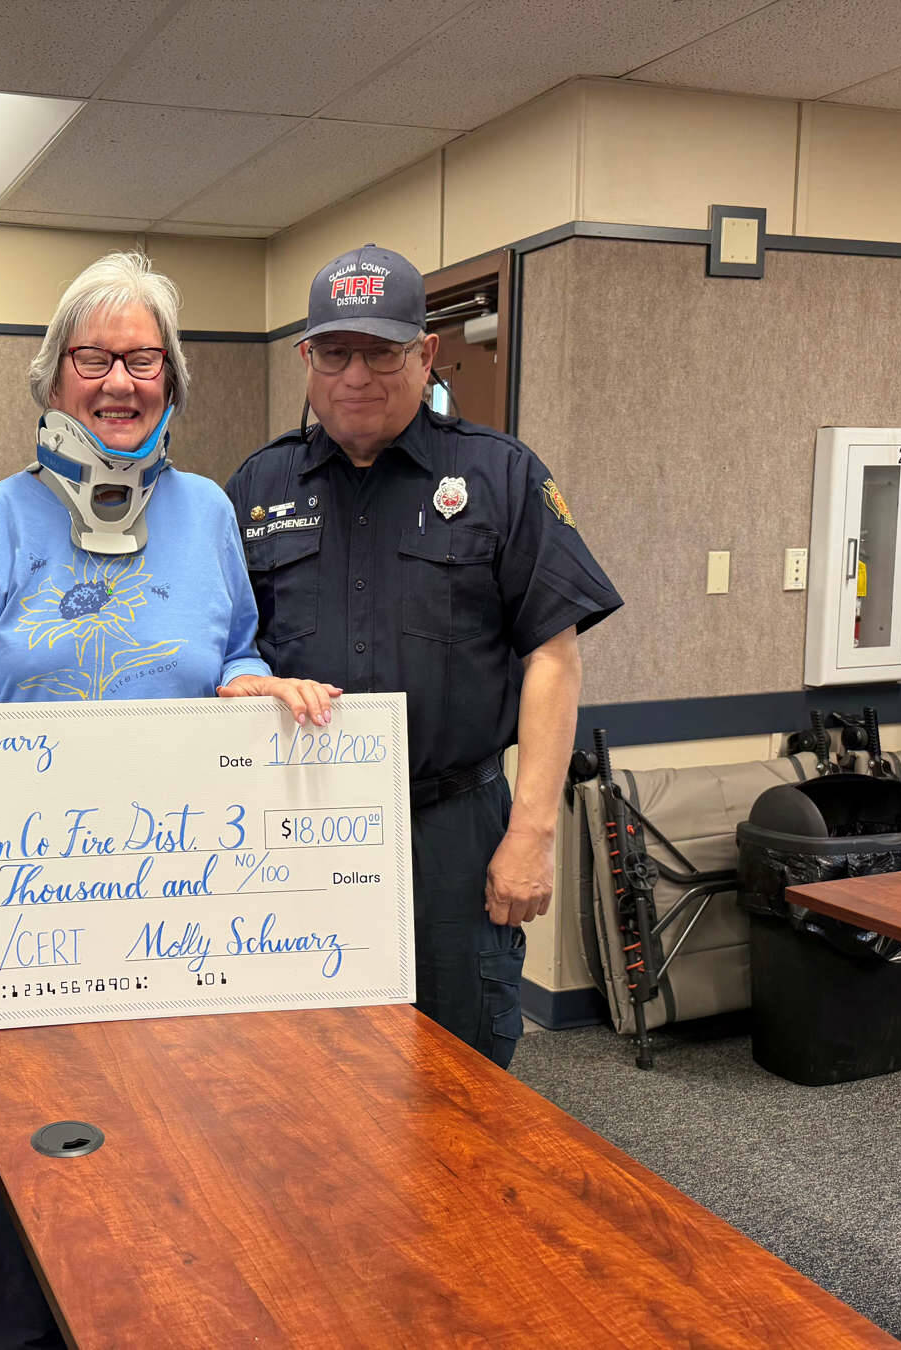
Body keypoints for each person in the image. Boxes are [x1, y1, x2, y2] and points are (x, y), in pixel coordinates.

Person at [0, 252, 339, 1350]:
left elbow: (233, 649)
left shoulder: (207, 517)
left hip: (186, 907)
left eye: (143, 359)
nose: (119, 381)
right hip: (32, 915)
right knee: (43, 1155)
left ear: (173, 380)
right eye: (93, 357)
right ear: (53, 377)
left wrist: (254, 686)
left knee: (186, 1145)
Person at [226, 243, 622, 1070]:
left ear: (427, 352)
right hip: (301, 820)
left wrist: (532, 834)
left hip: (451, 827)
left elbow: (553, 657)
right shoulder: (258, 489)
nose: (356, 375)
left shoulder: (500, 477)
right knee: (303, 1063)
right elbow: (228, 651)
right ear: (307, 358)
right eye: (334, 352)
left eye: (382, 351)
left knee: (461, 1063)